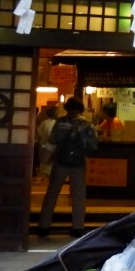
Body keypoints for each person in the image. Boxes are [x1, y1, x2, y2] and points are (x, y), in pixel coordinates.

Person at [39, 98, 94, 236]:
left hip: (61, 162)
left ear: (67, 108)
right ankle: (77, 226)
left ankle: (44, 225)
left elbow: (52, 141)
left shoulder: (61, 122)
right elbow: (93, 144)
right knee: (79, 195)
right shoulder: (87, 124)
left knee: (52, 193)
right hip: (79, 163)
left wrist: (45, 159)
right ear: (80, 109)